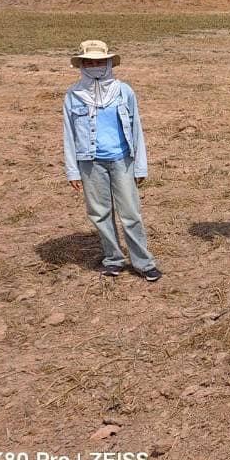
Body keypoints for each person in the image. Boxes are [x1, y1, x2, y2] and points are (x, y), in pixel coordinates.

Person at [62, 40, 162, 281]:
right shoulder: (73, 95)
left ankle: (143, 262)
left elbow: (136, 128)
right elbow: (68, 134)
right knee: (100, 213)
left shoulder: (123, 91)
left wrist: (140, 165)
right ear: (82, 65)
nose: (95, 66)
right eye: (89, 62)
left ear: (108, 63)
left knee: (131, 212)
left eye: (100, 61)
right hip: (90, 163)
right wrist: (72, 171)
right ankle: (113, 258)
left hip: (122, 160)